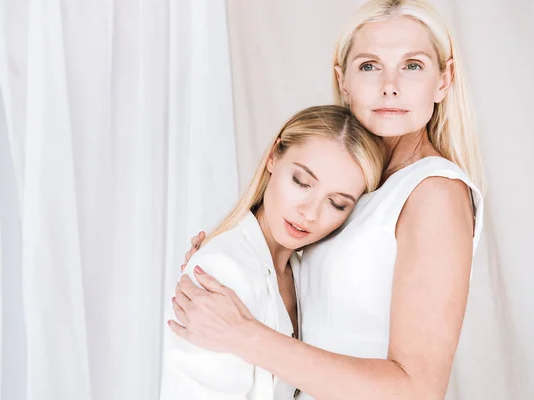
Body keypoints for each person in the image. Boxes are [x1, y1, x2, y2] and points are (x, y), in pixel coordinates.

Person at [168, 0, 485, 399]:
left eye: (412, 65)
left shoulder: (434, 192)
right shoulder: (361, 186)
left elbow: (418, 390)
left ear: (444, 80)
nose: (390, 84)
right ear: (344, 79)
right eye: (370, 65)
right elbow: (327, 312)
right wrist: (238, 258)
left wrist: (243, 334)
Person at [161, 105, 385, 399]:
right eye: (301, 182)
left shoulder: (306, 272)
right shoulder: (220, 271)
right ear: (273, 156)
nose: (309, 213)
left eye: (337, 204)